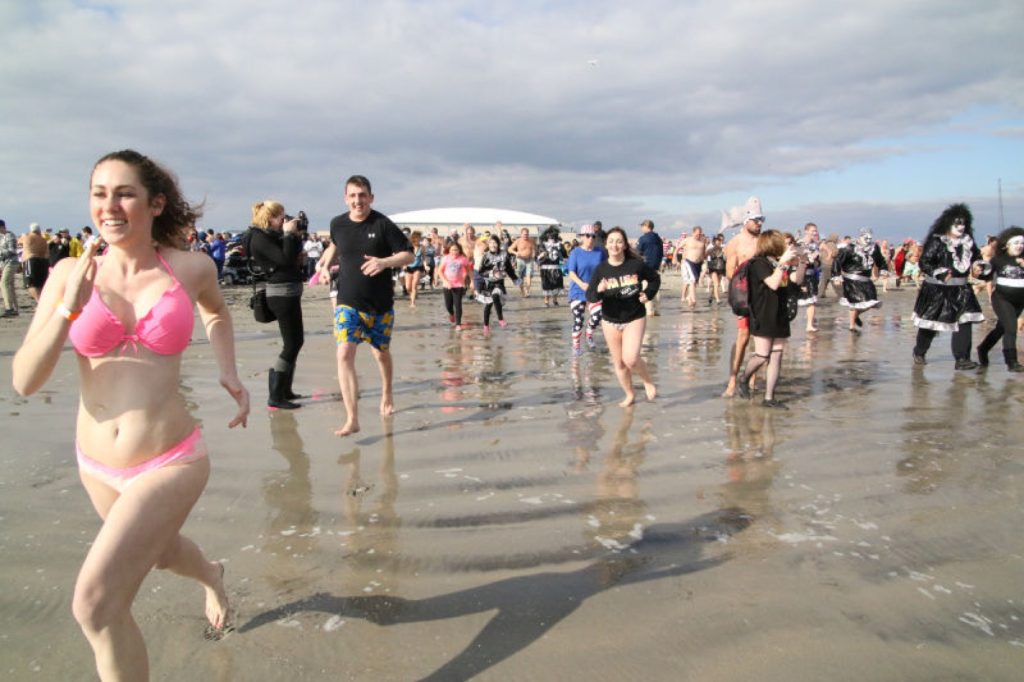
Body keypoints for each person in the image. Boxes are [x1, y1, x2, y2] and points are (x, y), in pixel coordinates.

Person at [11, 149, 249, 681]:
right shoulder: (69, 273)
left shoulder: (190, 267)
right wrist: (69, 305)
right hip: (96, 465)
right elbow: (25, 380)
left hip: (173, 458)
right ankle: (211, 574)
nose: (109, 206)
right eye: (99, 193)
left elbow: (216, 311)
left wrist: (229, 371)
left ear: (155, 203)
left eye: (124, 193)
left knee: (95, 605)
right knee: (161, 554)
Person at [317, 175, 413, 437]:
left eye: (362, 195)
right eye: (353, 195)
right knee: (343, 353)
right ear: (345, 198)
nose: (357, 200)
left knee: (380, 354)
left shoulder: (382, 224)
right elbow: (335, 245)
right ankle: (352, 418)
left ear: (371, 197)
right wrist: (324, 266)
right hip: (347, 301)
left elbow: (409, 254)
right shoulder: (337, 223)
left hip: (379, 305)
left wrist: (384, 262)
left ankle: (387, 392)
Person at [586, 227, 660, 407]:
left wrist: (647, 294)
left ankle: (647, 381)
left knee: (631, 358)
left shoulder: (635, 265)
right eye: (611, 241)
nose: (615, 245)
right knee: (619, 363)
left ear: (625, 245)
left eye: (619, 241)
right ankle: (629, 394)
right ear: (606, 244)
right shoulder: (601, 269)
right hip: (610, 320)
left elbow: (654, 279)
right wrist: (599, 291)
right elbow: (591, 296)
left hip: (634, 317)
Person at [911, 203, 988, 369]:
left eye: (963, 223)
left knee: (965, 322)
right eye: (957, 223)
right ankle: (919, 351)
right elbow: (924, 261)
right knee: (930, 325)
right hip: (937, 290)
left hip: (962, 289)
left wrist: (978, 267)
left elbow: (977, 258)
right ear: (948, 224)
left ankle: (962, 359)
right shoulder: (937, 241)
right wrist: (939, 272)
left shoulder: (968, 242)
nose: (961, 227)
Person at [735, 230, 805, 408]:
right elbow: (773, 283)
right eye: (782, 242)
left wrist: (803, 261)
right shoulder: (758, 263)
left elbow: (795, 280)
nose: (785, 245)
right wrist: (782, 263)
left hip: (780, 313)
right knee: (762, 355)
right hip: (763, 314)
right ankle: (743, 378)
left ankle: (769, 397)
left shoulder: (777, 262)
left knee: (777, 355)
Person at [248, 200, 306, 409]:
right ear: (269, 218)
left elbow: (291, 257)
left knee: (296, 341)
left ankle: (285, 390)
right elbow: (284, 259)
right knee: (292, 343)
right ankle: (275, 395)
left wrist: (294, 236)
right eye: (280, 216)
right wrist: (289, 235)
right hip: (281, 294)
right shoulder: (259, 238)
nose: (284, 219)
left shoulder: (270, 236)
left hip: (288, 292)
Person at [723, 197, 765, 397]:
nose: (759, 223)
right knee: (743, 337)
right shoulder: (735, 243)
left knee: (761, 339)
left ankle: (751, 379)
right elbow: (730, 272)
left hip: (764, 296)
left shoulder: (765, 241)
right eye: (756, 219)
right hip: (744, 296)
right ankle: (732, 379)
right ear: (746, 220)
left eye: (761, 219)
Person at [976, 226, 1024, 371]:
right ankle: (1011, 362)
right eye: (1016, 243)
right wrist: (978, 272)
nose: (1019, 246)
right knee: (1011, 327)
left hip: (1020, 300)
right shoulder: (998, 260)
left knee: (1001, 329)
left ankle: (983, 348)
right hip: (1002, 299)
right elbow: (985, 276)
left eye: (1022, 243)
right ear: (1007, 245)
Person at [832, 228, 887, 332]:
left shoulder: (874, 248)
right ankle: (851, 326)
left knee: (871, 302)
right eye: (866, 237)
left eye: (870, 237)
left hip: (866, 279)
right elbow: (838, 260)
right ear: (860, 237)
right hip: (851, 279)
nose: (868, 239)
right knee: (854, 302)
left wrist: (883, 270)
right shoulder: (850, 248)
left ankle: (856, 315)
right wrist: (836, 275)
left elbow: (880, 260)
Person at [567, 223, 607, 355]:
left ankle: (589, 333)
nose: (591, 238)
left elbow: (606, 269)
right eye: (588, 236)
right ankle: (576, 346)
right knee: (578, 319)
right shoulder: (575, 252)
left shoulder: (600, 252)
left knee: (598, 314)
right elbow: (571, 272)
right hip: (577, 291)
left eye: (593, 236)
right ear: (582, 237)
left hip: (594, 291)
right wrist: (581, 283)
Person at [475, 234, 518, 334]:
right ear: (488, 245)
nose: (493, 245)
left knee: (495, 295)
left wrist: (515, 279)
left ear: (498, 244)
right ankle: (486, 325)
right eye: (491, 243)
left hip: (499, 283)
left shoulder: (504, 255)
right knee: (488, 305)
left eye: (495, 243)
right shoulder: (486, 256)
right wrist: (491, 273)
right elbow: (481, 271)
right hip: (488, 283)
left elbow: (509, 269)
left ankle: (500, 319)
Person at [439, 241, 472, 330]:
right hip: (447, 285)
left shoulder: (463, 259)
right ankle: (451, 314)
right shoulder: (445, 258)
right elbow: (440, 271)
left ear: (459, 250)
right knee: (448, 305)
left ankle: (458, 324)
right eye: (452, 250)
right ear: (449, 250)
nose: (454, 252)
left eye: (456, 250)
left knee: (458, 304)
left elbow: (468, 270)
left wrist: (470, 280)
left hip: (459, 285)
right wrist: (445, 281)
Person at [796, 222, 821, 331]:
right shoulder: (799, 243)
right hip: (801, 274)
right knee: (794, 301)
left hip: (812, 274)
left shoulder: (815, 245)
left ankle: (809, 325)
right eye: (812, 230)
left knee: (812, 301)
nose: (814, 233)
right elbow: (795, 259)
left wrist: (816, 260)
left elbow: (818, 263)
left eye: (815, 231)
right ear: (806, 231)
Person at [636, 219, 663, 316]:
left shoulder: (643, 239)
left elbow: (637, 253)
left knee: (646, 288)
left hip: (645, 267)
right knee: (656, 288)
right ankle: (656, 310)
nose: (641, 228)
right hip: (655, 266)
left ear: (646, 226)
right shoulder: (658, 238)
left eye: (642, 226)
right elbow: (661, 253)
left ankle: (649, 311)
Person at [19, 223, 49, 300]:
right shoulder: (43, 240)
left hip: (31, 260)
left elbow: (19, 242)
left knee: (30, 284)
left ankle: (40, 302)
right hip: (43, 261)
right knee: (41, 285)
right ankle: (42, 301)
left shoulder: (27, 237)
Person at [680, 226, 707, 309]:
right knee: (693, 280)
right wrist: (675, 258)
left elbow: (703, 252)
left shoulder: (703, 241)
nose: (698, 235)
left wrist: (704, 261)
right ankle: (693, 299)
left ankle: (689, 297)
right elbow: (678, 247)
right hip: (689, 261)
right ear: (693, 232)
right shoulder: (688, 240)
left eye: (700, 234)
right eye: (697, 234)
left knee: (695, 282)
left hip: (698, 263)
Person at [509, 227, 537, 297]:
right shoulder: (518, 241)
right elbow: (509, 249)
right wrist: (515, 253)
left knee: (529, 275)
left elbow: (534, 248)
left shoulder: (531, 240)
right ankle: (522, 291)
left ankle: (527, 291)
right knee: (519, 277)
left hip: (529, 260)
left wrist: (534, 253)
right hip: (520, 260)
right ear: (521, 234)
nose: (525, 236)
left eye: (527, 234)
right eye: (524, 234)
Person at [1, 219, 19, 317]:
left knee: (4, 283)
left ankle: (9, 308)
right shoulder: (1, 237)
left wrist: (2, 253)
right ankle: (15, 309)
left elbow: (12, 250)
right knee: (10, 285)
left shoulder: (9, 236)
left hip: (12, 262)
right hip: (5, 263)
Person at [403, 231, 426, 307]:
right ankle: (413, 294)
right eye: (417, 238)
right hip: (408, 267)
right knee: (408, 287)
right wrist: (404, 265)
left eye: (420, 239)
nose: (419, 240)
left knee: (414, 284)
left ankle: (412, 303)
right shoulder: (408, 246)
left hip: (418, 267)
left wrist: (426, 266)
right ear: (413, 239)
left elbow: (424, 258)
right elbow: (404, 256)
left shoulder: (422, 247)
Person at [705, 234, 727, 305]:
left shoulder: (723, 249)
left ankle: (711, 296)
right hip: (712, 268)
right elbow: (705, 258)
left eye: (720, 241)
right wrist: (706, 268)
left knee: (716, 285)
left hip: (721, 267)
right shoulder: (710, 249)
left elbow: (726, 258)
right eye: (717, 241)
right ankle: (718, 300)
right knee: (716, 283)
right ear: (714, 242)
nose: (718, 242)